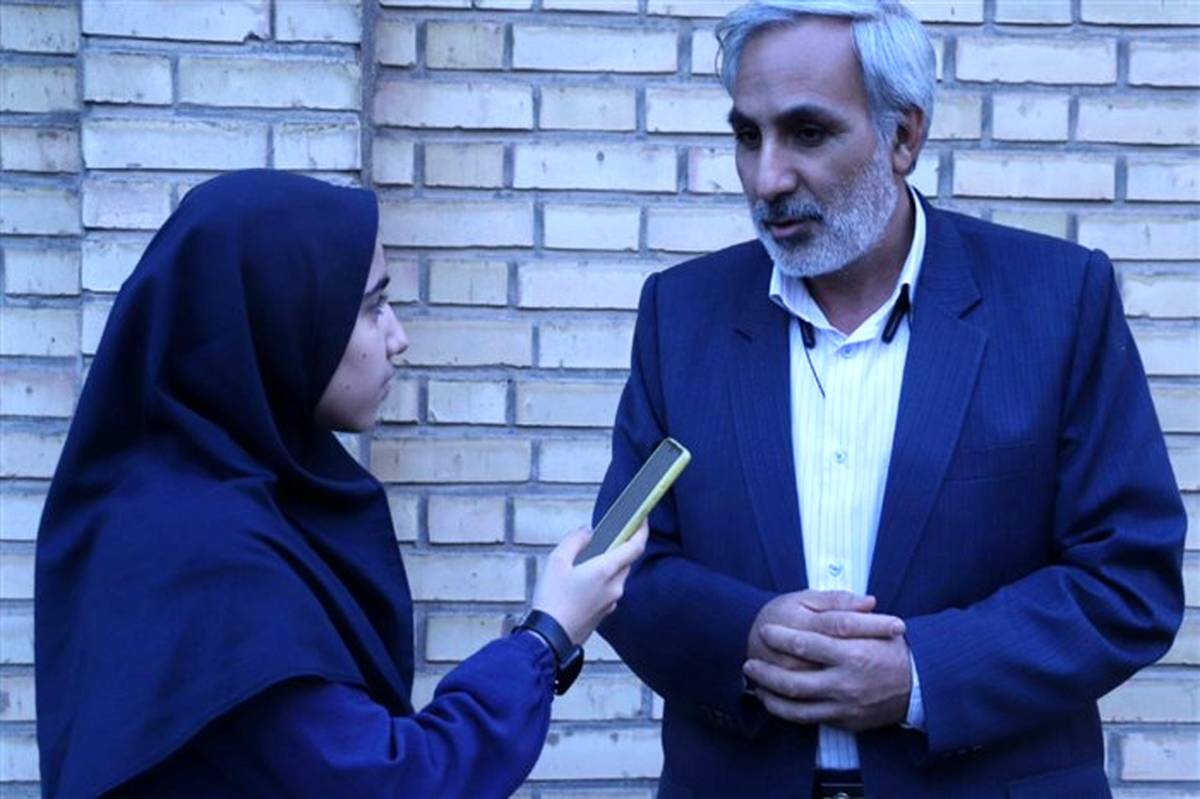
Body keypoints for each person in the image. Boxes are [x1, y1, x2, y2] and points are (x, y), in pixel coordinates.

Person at [592, 1, 1187, 797]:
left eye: (808, 133)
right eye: (748, 136)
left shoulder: (1058, 301)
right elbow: (621, 564)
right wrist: (746, 636)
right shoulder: (681, 314)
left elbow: (1128, 577)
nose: (768, 178)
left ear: (904, 137)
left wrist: (921, 675)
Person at [34, 169, 647, 798]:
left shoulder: (207, 493)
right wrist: (548, 635)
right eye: (372, 307)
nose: (398, 338)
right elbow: (398, 782)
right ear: (280, 319)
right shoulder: (204, 559)